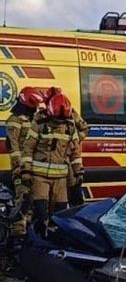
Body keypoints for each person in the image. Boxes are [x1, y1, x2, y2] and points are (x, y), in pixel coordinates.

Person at [21, 92, 84, 232]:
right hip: (39, 177)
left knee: (60, 215)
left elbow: (75, 152)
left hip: (60, 179)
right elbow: (28, 148)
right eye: (57, 120)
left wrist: (78, 171)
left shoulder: (70, 126)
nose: (59, 123)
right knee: (41, 212)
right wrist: (25, 170)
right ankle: (38, 241)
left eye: (62, 120)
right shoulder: (39, 123)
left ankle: (57, 243)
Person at [6, 87, 47, 239]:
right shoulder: (15, 120)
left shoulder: (32, 118)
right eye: (33, 106)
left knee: (32, 203)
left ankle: (29, 237)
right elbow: (13, 146)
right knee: (23, 201)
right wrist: (19, 167)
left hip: (34, 167)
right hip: (22, 168)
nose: (35, 108)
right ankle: (17, 238)